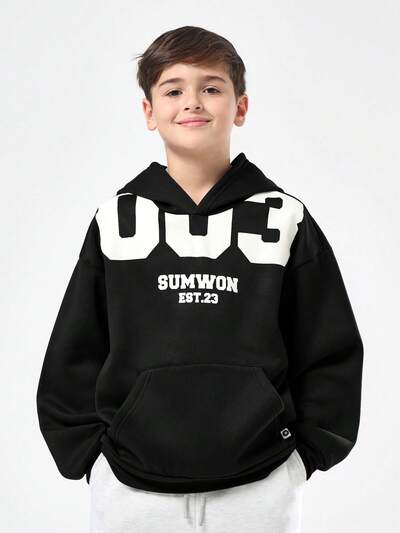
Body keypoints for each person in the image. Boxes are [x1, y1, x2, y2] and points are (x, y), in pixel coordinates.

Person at [36, 25, 364, 533]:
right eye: (173, 90)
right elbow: (75, 348)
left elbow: (329, 346)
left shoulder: (285, 218)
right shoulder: (117, 221)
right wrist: (91, 461)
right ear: (149, 111)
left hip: (259, 489)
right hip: (130, 490)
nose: (192, 101)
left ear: (240, 107)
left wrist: (302, 461)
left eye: (211, 87)